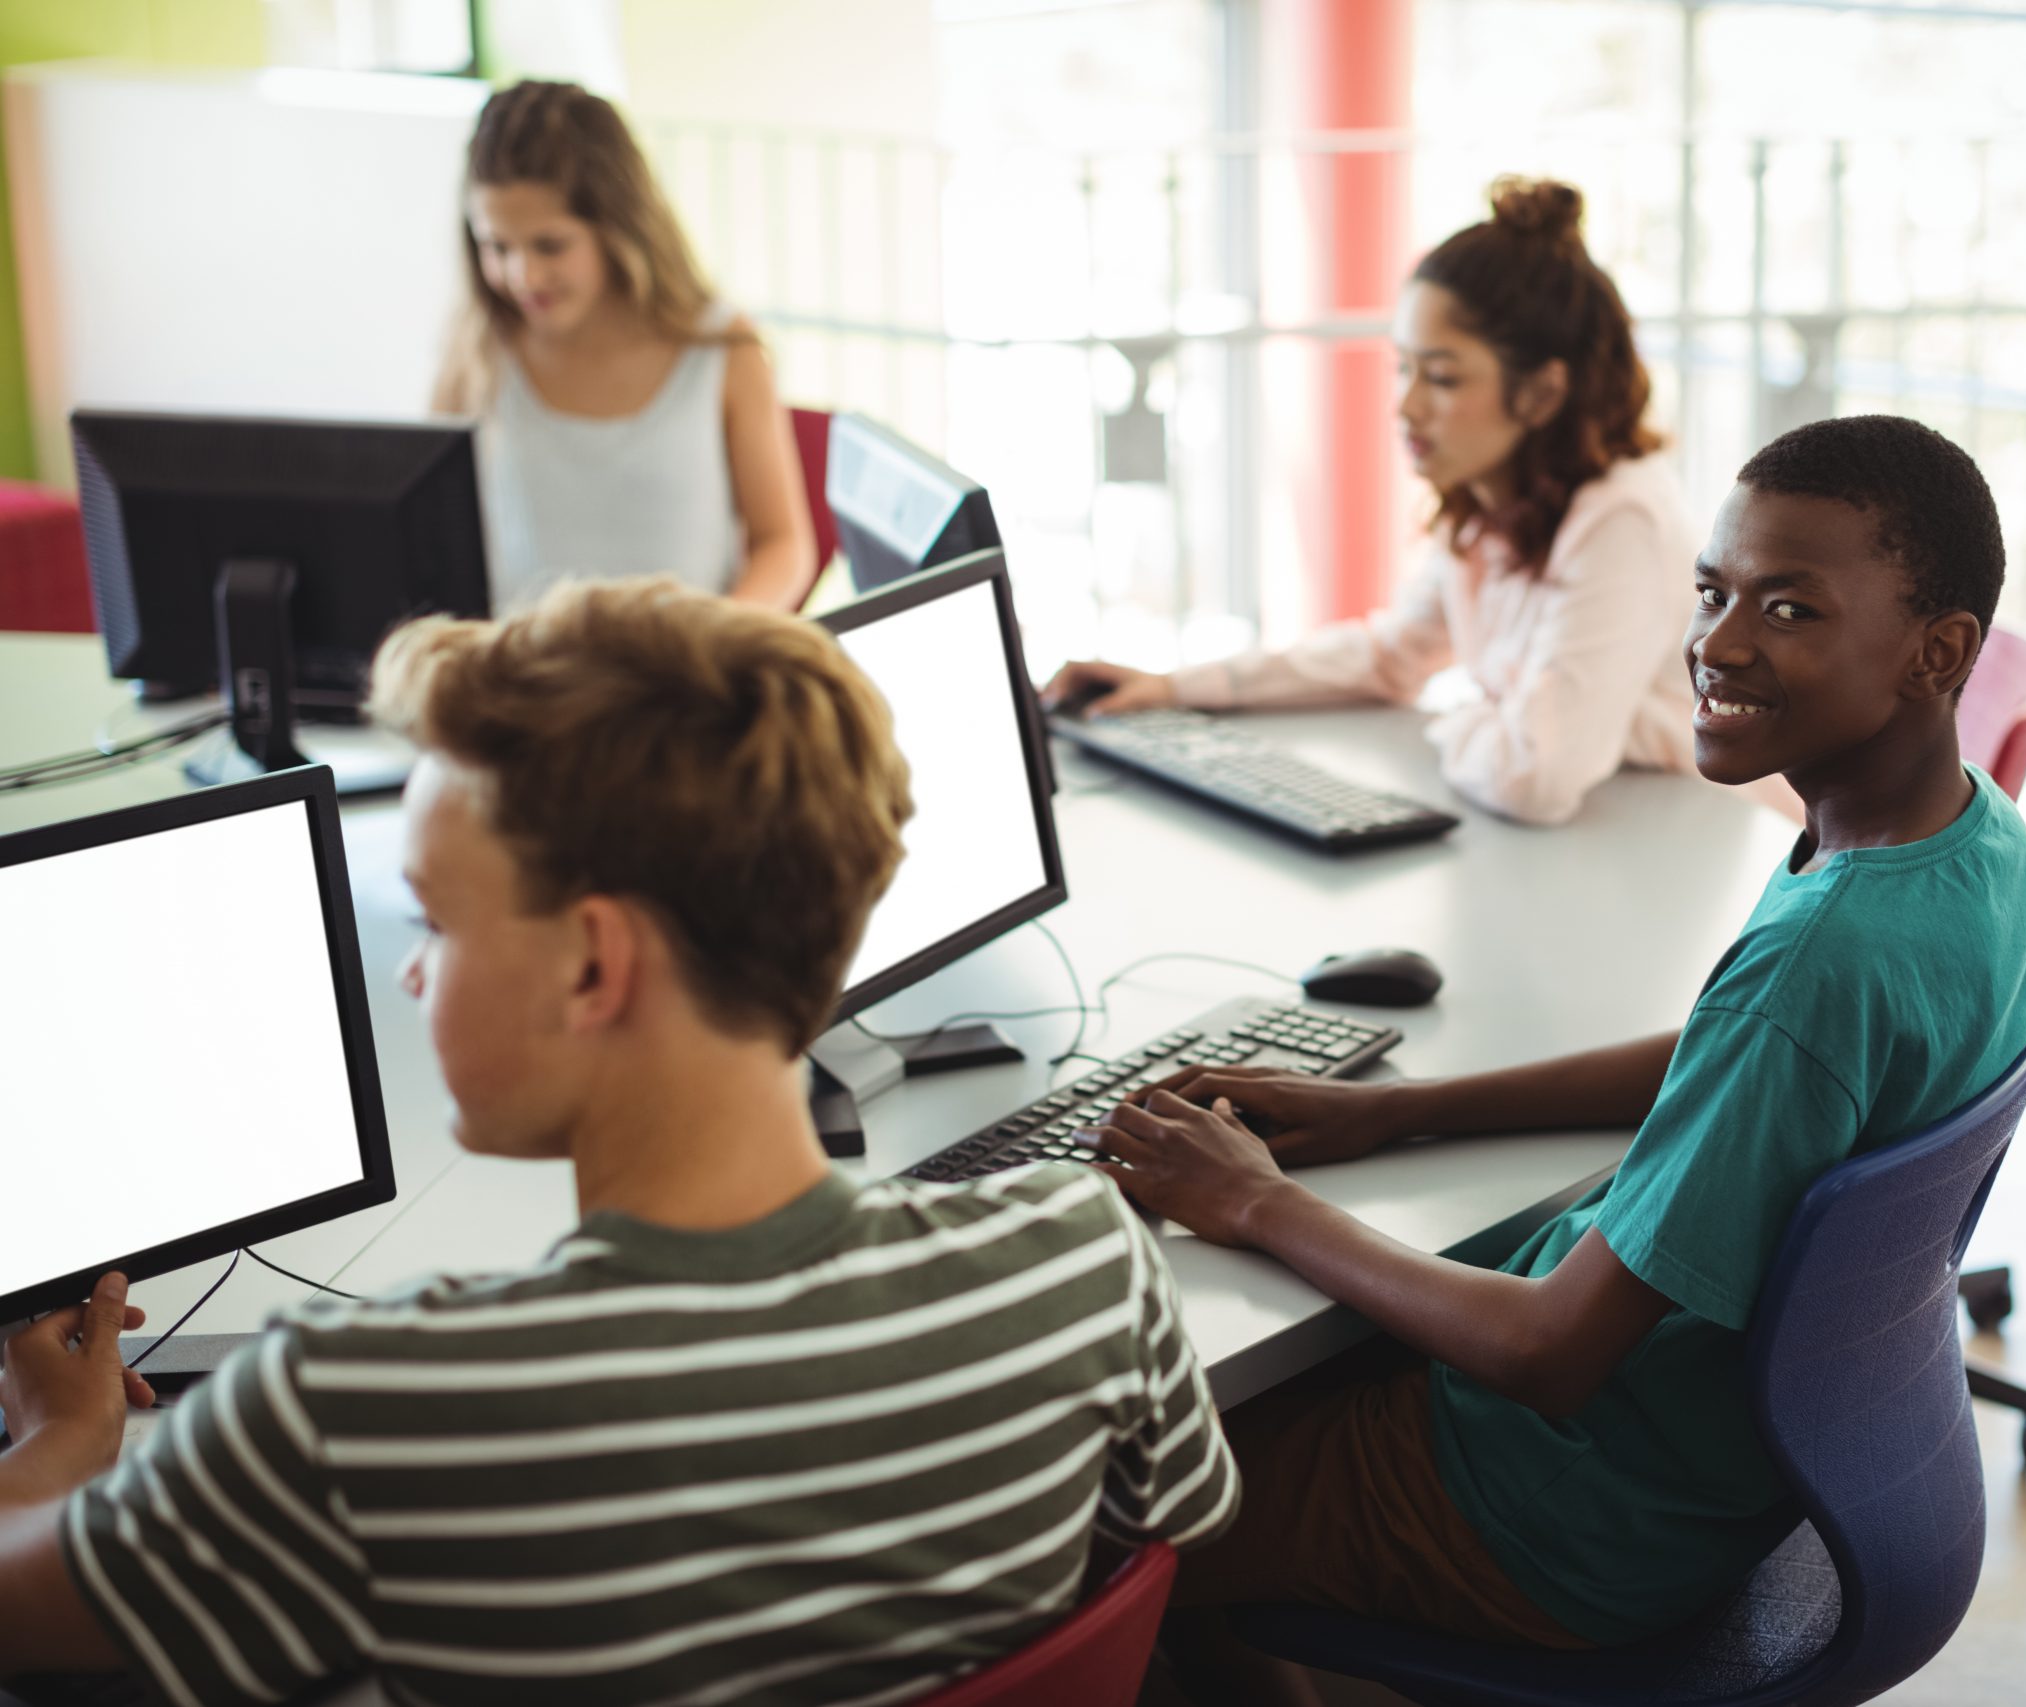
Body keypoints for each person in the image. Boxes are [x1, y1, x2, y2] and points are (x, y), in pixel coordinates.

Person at [0, 580, 1237, 1705]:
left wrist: (60, 1438)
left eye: (433, 918)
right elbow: (1181, 1550)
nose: (417, 976)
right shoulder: (1084, 1266)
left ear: (595, 962)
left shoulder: (366, 1406)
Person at [1082, 416, 2026, 1705]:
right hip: (1708, 1467)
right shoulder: (1966, 842)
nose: (1718, 642)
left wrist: (1252, 1200)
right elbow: (1735, 1057)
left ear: (1939, 653)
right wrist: (1398, 1115)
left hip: (1560, 1512)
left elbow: (1550, 1352)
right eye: (1712, 593)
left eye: (1791, 609)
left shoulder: (1825, 957)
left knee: (1098, 1509)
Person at [1044, 177, 1700, 827]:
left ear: (1541, 393)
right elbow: (1391, 656)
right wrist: (1174, 687)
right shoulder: (1494, 500)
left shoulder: (1621, 519)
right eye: (1404, 367)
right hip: (1599, 830)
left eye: (1441, 376)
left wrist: (1454, 716)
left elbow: (1534, 777)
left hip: (1675, 834)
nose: (1406, 406)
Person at [432, 80, 816, 613]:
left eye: (550, 245)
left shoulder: (723, 349)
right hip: (525, 681)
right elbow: (427, 532)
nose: (522, 275)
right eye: (496, 246)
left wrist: (723, 634)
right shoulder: (477, 349)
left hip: (685, 676)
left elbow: (785, 544)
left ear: (618, 229)